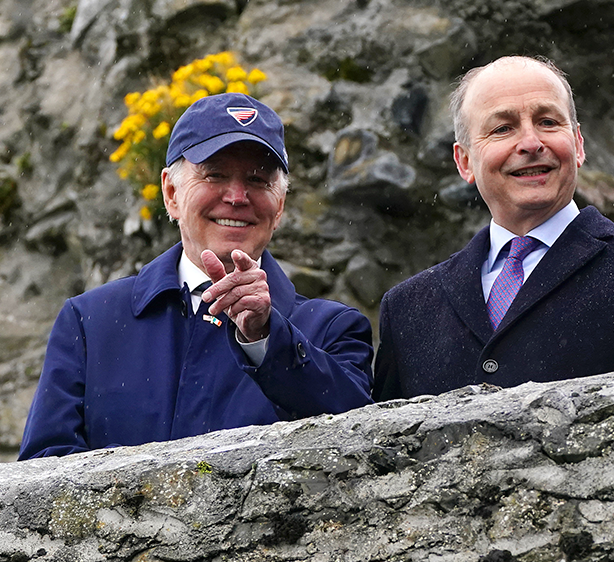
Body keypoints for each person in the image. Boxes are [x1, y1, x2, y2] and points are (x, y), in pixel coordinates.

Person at [20, 93, 374, 458]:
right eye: (215, 174)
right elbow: (41, 470)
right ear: (171, 193)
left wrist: (266, 340)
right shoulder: (90, 323)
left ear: (279, 206)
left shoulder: (334, 331)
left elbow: (361, 449)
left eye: (258, 180)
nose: (237, 197)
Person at [373, 56, 614, 400]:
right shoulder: (407, 309)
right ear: (465, 161)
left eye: (548, 122)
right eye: (503, 128)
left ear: (578, 145)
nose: (531, 143)